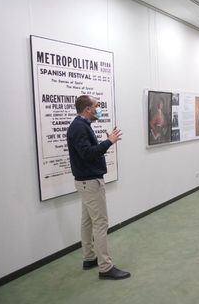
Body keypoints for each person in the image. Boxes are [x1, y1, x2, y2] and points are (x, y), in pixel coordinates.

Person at [67, 95, 131, 280]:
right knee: (101, 223)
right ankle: (105, 267)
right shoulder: (79, 127)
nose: (99, 108)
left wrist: (104, 143)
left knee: (87, 221)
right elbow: (87, 154)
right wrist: (109, 141)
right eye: (97, 105)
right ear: (88, 109)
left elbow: (86, 152)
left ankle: (89, 258)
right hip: (90, 182)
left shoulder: (82, 125)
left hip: (85, 182)